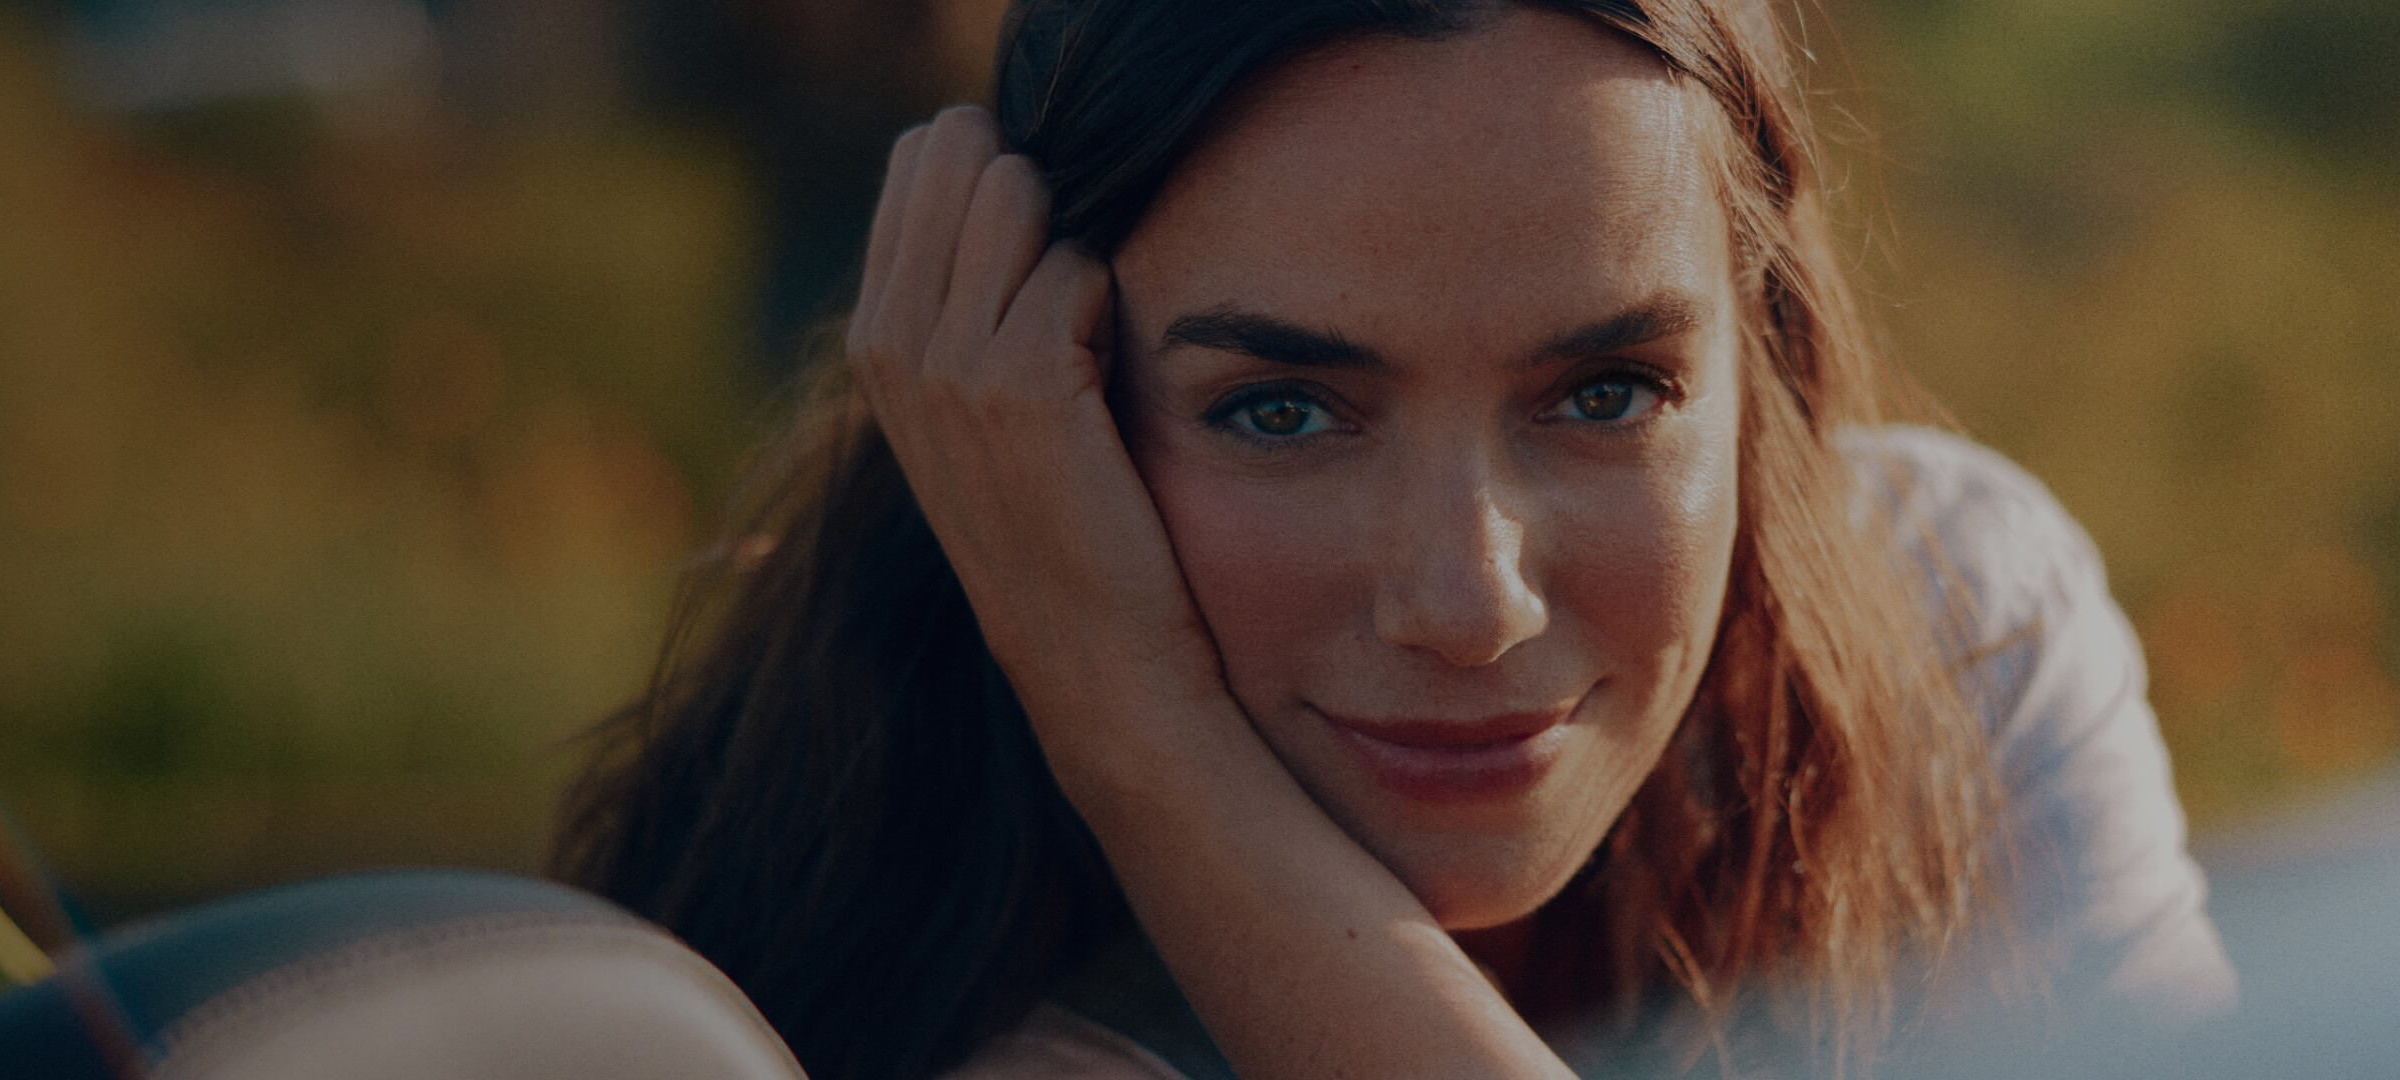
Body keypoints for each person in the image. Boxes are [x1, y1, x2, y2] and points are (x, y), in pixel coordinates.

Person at [555, 2, 2234, 1077]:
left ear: (1760, 359)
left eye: (1606, 393)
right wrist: (1129, 723)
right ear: (1031, 409)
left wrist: (1144, 722)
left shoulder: (1958, 628)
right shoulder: (979, 1037)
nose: (1470, 600)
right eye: (1284, 411)